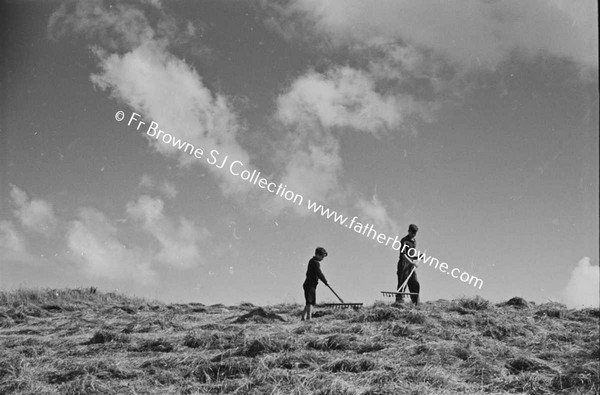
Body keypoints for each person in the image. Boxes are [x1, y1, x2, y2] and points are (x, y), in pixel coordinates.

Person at [301, 247, 329, 321]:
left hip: (310, 284)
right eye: (322, 256)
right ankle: (308, 318)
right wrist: (325, 281)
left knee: (309, 301)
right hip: (310, 284)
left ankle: (303, 317)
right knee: (310, 302)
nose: (323, 258)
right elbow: (319, 273)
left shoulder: (312, 261)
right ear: (317, 254)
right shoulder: (315, 263)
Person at [396, 224, 420, 305]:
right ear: (409, 231)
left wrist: (418, 257)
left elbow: (411, 255)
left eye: (415, 233)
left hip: (410, 264)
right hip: (403, 264)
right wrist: (412, 262)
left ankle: (415, 303)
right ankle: (399, 302)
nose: (413, 234)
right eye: (412, 232)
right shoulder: (404, 241)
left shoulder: (414, 241)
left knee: (414, 282)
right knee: (402, 283)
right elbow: (403, 255)